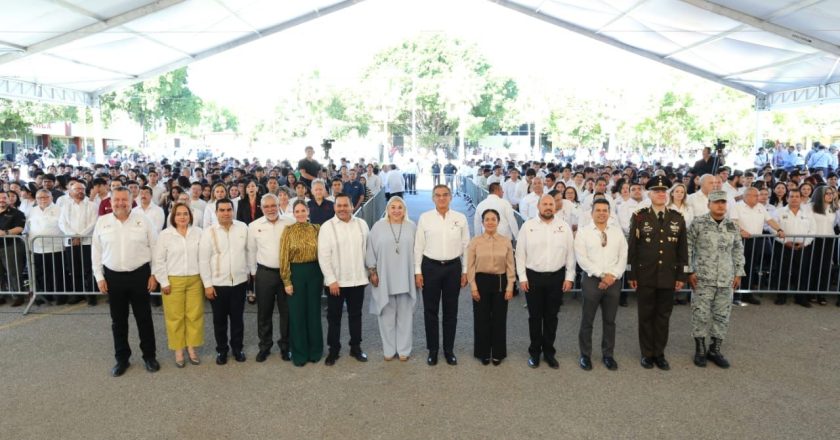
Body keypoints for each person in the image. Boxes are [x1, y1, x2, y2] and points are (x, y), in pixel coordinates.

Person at [91, 187, 159, 377]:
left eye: (124, 200)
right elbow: (96, 251)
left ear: (132, 202)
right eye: (116, 200)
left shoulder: (143, 221)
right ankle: (122, 359)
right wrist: (99, 276)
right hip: (113, 277)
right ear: (110, 201)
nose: (120, 203)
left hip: (140, 275)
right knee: (118, 321)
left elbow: (155, 248)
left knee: (144, 318)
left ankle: (149, 356)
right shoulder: (102, 222)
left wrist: (154, 274)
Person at [627, 176, 688, 371]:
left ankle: (659, 353)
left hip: (668, 276)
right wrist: (632, 274)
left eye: (664, 191)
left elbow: (683, 250)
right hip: (645, 275)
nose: (661, 194)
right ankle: (647, 354)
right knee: (645, 315)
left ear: (668, 194)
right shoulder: (639, 216)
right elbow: (633, 249)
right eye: (656, 191)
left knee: (663, 317)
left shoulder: (677, 217)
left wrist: (681, 276)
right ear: (649, 194)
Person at [686, 190, 745, 369]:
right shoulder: (698, 223)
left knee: (722, 316)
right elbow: (687, 247)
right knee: (701, 314)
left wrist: (738, 273)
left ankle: (715, 349)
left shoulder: (732, 226)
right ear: (709, 204)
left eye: (723, 202)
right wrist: (689, 271)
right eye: (716, 202)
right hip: (703, 278)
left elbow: (737, 249)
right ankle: (700, 349)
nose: (720, 206)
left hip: (726, 279)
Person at [516, 194, 575, 369]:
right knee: (535, 317)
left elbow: (571, 254)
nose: (548, 207)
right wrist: (523, 277)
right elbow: (520, 254)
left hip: (556, 278)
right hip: (533, 278)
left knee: (551, 317)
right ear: (538, 206)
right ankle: (534, 352)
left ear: (555, 207)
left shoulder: (564, 227)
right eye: (545, 204)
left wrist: (569, 277)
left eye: (551, 204)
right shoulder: (528, 226)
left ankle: (549, 352)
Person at [414, 184, 470, 366]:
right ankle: (433, 350)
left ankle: (448, 350)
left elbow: (466, 246)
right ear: (433, 198)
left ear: (451, 197)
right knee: (430, 311)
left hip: (453, 268)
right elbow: (418, 246)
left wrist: (465, 271)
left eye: (445, 195)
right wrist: (417, 271)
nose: (441, 198)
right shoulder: (425, 218)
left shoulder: (460, 218)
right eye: (437, 195)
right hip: (430, 267)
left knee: (450, 311)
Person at [574, 198, 628, 371]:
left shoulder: (617, 232)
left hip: (614, 280)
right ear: (592, 213)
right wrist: (602, 275)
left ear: (609, 213)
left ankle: (608, 355)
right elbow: (582, 259)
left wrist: (613, 275)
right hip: (592, 280)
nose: (602, 213)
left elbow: (623, 256)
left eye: (605, 210)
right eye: (598, 210)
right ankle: (585, 355)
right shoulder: (583, 232)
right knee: (587, 320)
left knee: (610, 321)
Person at [318, 194, 371, 365]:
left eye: (345, 205)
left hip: (358, 280)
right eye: (338, 205)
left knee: (356, 315)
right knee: (334, 317)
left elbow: (368, 250)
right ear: (334, 208)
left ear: (351, 206)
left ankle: (356, 347)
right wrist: (331, 280)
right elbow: (323, 256)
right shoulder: (327, 227)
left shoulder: (362, 224)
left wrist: (371, 271)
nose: (342, 209)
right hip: (336, 283)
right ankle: (334, 350)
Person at [153, 203, 204, 368]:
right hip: (173, 280)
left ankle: (191, 348)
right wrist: (164, 282)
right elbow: (159, 260)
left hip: (195, 279)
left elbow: (203, 257)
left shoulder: (198, 233)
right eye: (179, 214)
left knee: (194, 315)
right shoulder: (165, 235)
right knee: (175, 317)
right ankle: (179, 350)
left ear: (190, 216)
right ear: (173, 217)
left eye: (185, 214)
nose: (182, 217)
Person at [199, 198, 249, 365]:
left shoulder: (242, 228)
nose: (226, 213)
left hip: (239, 283)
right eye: (222, 210)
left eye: (229, 210)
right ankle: (221, 350)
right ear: (216, 212)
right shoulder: (208, 232)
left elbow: (248, 252)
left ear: (233, 211)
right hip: (218, 284)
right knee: (219, 321)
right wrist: (207, 284)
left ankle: (237, 349)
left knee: (237, 319)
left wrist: (248, 273)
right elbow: (203, 260)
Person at [366, 196, 416, 361]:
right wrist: (372, 271)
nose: (396, 210)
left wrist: (418, 273)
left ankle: (403, 350)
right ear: (387, 209)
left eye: (399, 207)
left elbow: (419, 252)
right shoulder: (378, 227)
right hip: (384, 277)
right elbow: (370, 250)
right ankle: (388, 350)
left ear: (404, 210)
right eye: (392, 207)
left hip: (406, 277)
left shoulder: (411, 227)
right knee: (386, 316)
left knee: (405, 315)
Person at [247, 193, 294, 362]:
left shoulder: (290, 222)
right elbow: (251, 251)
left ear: (278, 204)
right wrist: (253, 273)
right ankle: (265, 347)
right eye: (266, 206)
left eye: (273, 205)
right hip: (264, 274)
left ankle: (285, 347)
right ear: (261, 208)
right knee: (264, 313)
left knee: (286, 313)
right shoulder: (254, 226)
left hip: (286, 275)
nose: (270, 209)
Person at [467, 209, 515, 366]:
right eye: (486, 219)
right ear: (482, 223)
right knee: (481, 318)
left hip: (500, 282)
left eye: (493, 219)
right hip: (481, 281)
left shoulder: (505, 241)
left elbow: (510, 266)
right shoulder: (475, 241)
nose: (490, 222)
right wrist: (473, 286)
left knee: (499, 319)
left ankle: (498, 353)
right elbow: (471, 266)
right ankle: (483, 352)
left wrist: (510, 286)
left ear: (498, 222)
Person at [280, 200, 324, 367]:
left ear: (308, 212)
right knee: (297, 314)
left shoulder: (317, 229)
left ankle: (315, 351)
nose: (300, 214)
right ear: (293, 213)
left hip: (315, 273)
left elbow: (324, 252)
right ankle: (299, 353)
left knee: (313, 313)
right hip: (296, 273)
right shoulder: (288, 230)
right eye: (297, 211)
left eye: (302, 210)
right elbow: (283, 255)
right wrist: (286, 280)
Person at [730, 187, 785, 304]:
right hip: (739, 241)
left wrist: (779, 229)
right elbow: (731, 222)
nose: (758, 198)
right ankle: (734, 295)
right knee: (738, 267)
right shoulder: (736, 206)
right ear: (747, 196)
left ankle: (747, 294)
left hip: (756, 241)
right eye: (756, 195)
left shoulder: (760, 207)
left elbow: (770, 220)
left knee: (751, 267)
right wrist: (740, 231)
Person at [772, 188, 816, 307]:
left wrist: (805, 243)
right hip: (783, 246)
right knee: (782, 270)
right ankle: (781, 296)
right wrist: (785, 241)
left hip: (803, 247)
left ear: (801, 199)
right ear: (787, 198)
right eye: (791, 196)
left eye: (797, 196)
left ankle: (800, 297)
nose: (794, 199)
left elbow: (813, 229)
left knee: (801, 271)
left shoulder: (808, 213)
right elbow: (772, 228)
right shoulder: (779, 211)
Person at [58, 180, 98, 306]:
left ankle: (91, 294)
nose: (80, 191)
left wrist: (79, 236)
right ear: (70, 191)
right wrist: (73, 236)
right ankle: (78, 293)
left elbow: (93, 223)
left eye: (82, 189)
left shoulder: (92, 205)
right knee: (74, 269)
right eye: (77, 189)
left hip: (87, 242)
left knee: (89, 268)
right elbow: (62, 223)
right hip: (71, 243)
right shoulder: (66, 206)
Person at [27, 189, 65, 305]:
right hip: (37, 248)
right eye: (39, 198)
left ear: (51, 198)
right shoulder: (33, 210)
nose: (42, 200)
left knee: (57, 273)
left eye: (45, 197)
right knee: (42, 273)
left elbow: (64, 226)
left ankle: (60, 297)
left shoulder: (59, 209)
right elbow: (28, 227)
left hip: (55, 247)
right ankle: (47, 295)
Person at [808, 185, 837, 305]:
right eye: (828, 193)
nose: (830, 195)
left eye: (831, 193)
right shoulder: (811, 207)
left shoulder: (834, 208)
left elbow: (836, 224)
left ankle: (821, 294)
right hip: (814, 239)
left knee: (825, 267)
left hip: (829, 240)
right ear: (820, 195)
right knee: (813, 266)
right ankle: (811, 292)